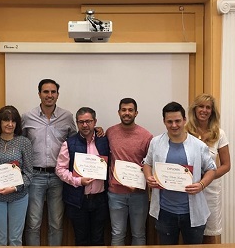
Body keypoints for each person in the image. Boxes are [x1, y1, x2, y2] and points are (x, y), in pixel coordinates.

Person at [143, 101, 217, 245]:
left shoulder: (198, 145)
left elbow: (211, 169)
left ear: (184, 120)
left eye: (177, 121)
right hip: (164, 212)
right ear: (164, 121)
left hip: (192, 212)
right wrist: (148, 177)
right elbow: (147, 163)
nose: (174, 125)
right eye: (169, 121)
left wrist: (201, 185)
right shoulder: (156, 142)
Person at [22, 79, 77, 246]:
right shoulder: (27, 117)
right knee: (33, 223)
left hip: (58, 178)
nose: (49, 95)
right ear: (39, 94)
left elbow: (76, 141)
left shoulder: (67, 116)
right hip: (34, 176)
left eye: (53, 92)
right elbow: (19, 142)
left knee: (56, 223)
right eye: (46, 92)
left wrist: (97, 131)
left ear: (58, 95)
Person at [56, 107, 110, 246]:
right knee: (81, 239)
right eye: (81, 122)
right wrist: (78, 180)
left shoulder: (104, 141)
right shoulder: (69, 143)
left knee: (98, 239)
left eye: (88, 121)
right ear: (77, 123)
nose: (85, 125)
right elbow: (60, 169)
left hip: (100, 200)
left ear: (95, 121)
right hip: (78, 201)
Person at [106, 98, 153, 245]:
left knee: (139, 234)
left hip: (138, 194)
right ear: (119, 112)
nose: (127, 113)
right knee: (117, 234)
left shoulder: (146, 136)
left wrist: (142, 182)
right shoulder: (110, 132)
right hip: (115, 194)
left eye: (130, 110)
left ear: (136, 113)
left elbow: (149, 164)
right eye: (124, 110)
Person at [0, 105, 34, 246]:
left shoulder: (24, 142)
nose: (10, 124)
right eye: (6, 120)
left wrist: (15, 188)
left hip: (18, 196)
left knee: (15, 239)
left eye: (13, 121)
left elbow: (29, 173)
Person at [185, 94, 231, 244]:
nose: (204, 110)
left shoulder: (220, 134)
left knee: (210, 234)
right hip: (188, 190)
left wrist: (207, 178)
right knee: (189, 232)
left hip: (210, 191)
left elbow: (226, 165)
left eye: (208, 107)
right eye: (201, 106)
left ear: (212, 111)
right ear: (194, 109)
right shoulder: (184, 131)